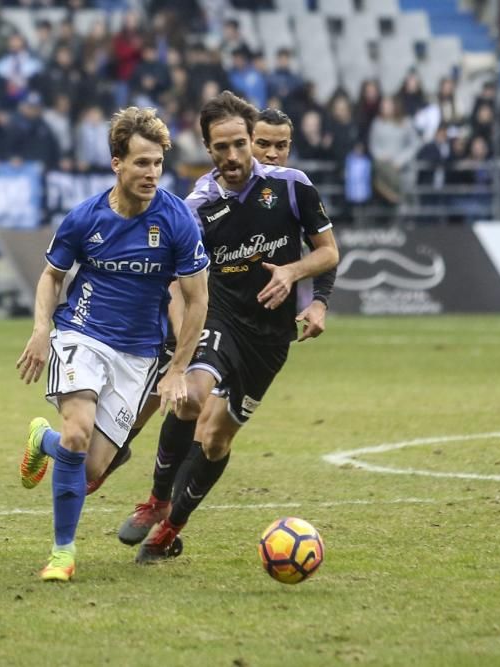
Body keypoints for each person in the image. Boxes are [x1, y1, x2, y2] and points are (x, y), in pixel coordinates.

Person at [117, 91, 339, 563]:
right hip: (220, 318)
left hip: (271, 339)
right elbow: (178, 279)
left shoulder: (293, 186)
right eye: (222, 148)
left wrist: (293, 275)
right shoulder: (197, 206)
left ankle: (171, 528)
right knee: (191, 397)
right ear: (208, 149)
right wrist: (180, 337)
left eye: (241, 144)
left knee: (216, 440)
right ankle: (157, 498)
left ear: (251, 142)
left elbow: (328, 252)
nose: (234, 156)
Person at [14, 106, 210, 582]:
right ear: (116, 163)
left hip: (138, 354)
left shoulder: (177, 220)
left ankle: (45, 440)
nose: (151, 173)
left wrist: (178, 367)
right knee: (79, 433)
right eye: (141, 162)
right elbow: (51, 276)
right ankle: (62, 553)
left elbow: (197, 297)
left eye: (158, 163)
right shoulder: (84, 218)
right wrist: (42, 329)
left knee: (87, 470)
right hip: (82, 333)